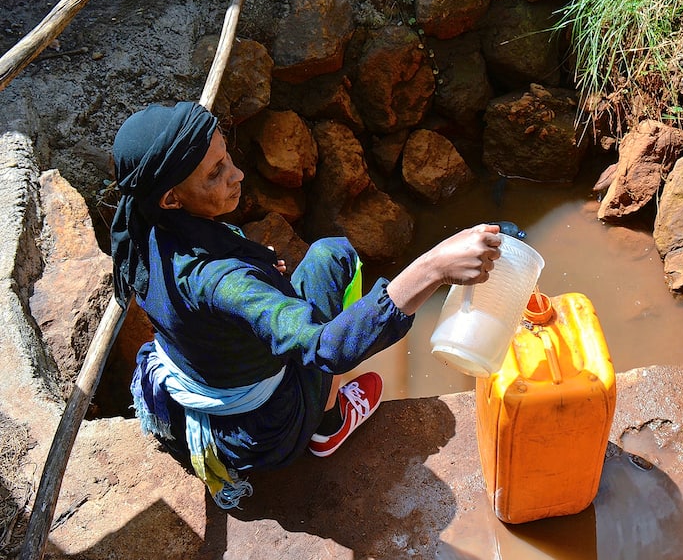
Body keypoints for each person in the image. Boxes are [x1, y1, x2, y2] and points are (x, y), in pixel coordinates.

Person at [110, 101, 503, 508]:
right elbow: (328, 347)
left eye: (226, 158)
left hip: (202, 393)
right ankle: (328, 424)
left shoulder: (146, 227)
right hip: (263, 429)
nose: (238, 174)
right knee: (336, 257)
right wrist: (432, 268)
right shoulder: (221, 282)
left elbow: (201, 306)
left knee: (316, 266)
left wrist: (257, 270)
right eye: (216, 173)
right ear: (172, 199)